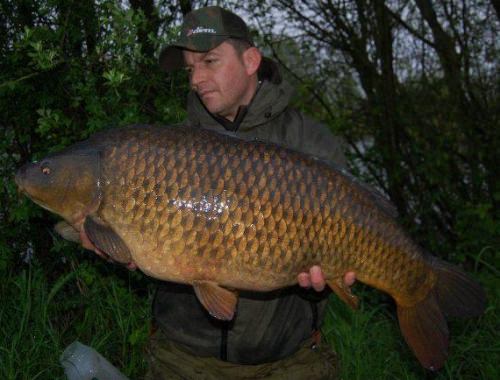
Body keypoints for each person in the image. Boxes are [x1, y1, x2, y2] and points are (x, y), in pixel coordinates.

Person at [147, 6, 355, 379]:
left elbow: (349, 234)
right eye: (190, 68)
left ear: (251, 60)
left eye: (209, 61)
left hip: (287, 360)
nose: (197, 78)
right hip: (183, 357)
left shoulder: (309, 142)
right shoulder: (169, 151)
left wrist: (325, 282)